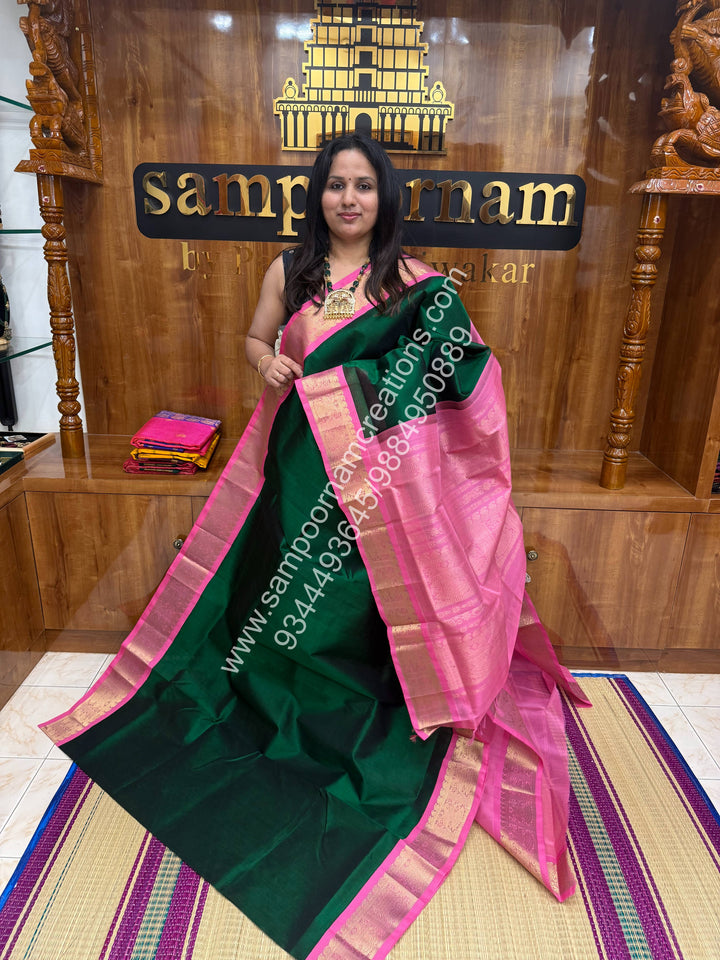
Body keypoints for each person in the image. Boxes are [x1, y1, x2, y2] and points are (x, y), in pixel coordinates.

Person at [41, 134, 588, 960]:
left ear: (384, 197)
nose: (349, 200)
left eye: (364, 186)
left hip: (376, 490)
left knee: (351, 608)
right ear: (319, 195)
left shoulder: (411, 282)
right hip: (297, 469)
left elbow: (460, 370)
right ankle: (267, 701)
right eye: (336, 185)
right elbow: (257, 341)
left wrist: (359, 387)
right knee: (274, 592)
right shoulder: (290, 271)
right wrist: (266, 364)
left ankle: (346, 712)